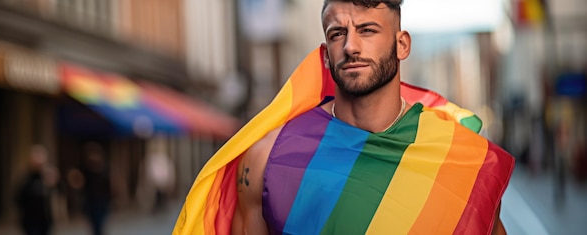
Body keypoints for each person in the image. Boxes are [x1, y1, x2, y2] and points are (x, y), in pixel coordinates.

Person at [173, 1, 514, 234]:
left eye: (367, 30)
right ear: (324, 55)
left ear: (402, 45)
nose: (351, 46)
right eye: (338, 33)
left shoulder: (461, 158)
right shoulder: (266, 159)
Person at [16, 145, 58, 235]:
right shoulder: (26, 179)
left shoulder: (49, 177)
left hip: (45, 220)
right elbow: (18, 198)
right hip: (30, 221)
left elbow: (57, 194)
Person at [80, 142, 111, 235]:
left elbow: (108, 187)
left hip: (102, 202)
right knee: (94, 225)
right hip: (91, 202)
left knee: (99, 224)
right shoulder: (86, 172)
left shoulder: (104, 171)